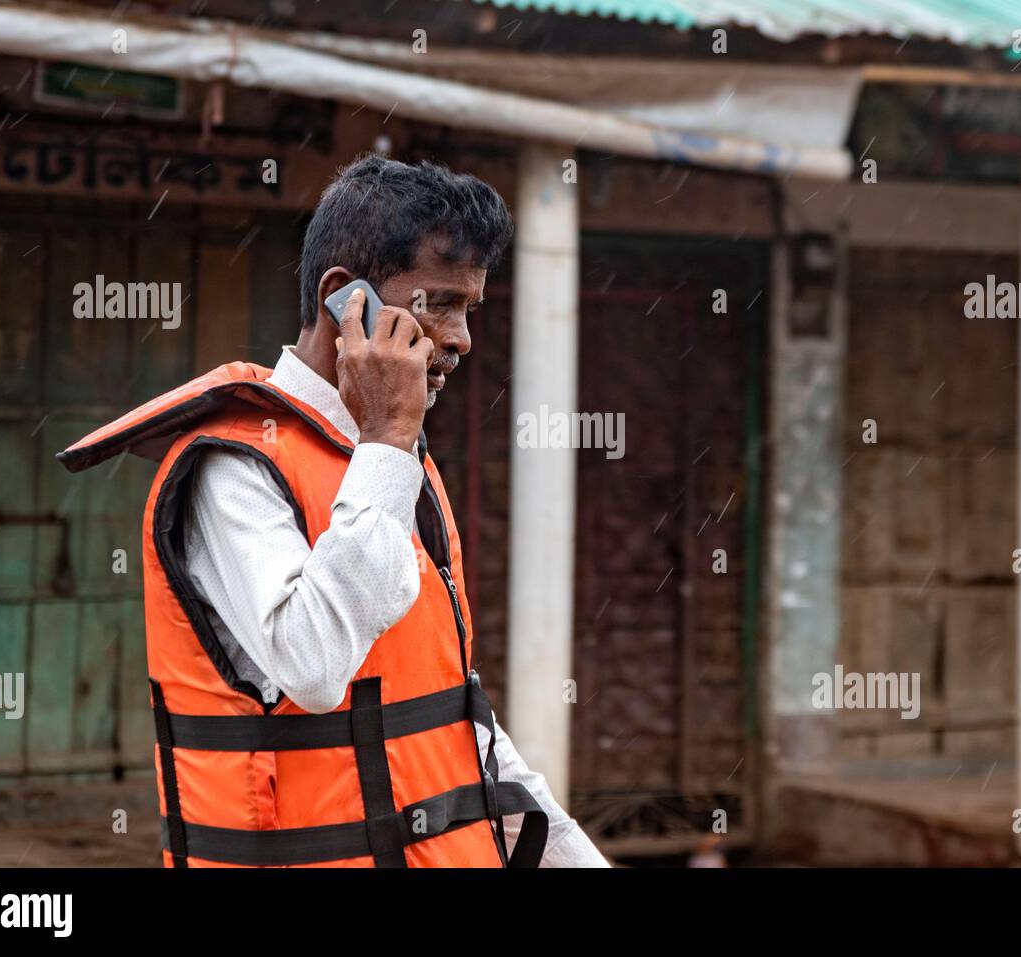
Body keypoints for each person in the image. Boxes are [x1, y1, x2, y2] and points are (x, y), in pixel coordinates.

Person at [59, 155, 609, 868]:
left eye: (469, 309)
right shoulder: (234, 466)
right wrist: (386, 439)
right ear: (343, 300)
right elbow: (313, 668)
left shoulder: (399, 465)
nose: (461, 337)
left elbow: (455, 724)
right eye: (438, 302)